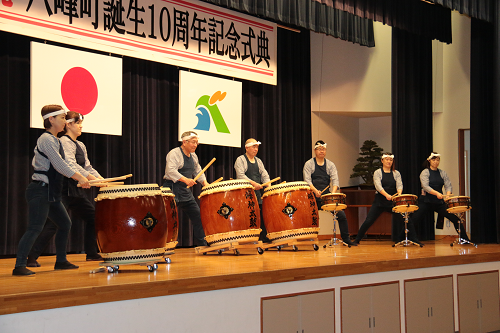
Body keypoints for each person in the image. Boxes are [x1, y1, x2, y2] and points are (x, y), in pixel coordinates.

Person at [13, 105, 90, 276]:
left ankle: (61, 261)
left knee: (64, 224)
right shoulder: (46, 139)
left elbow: (63, 165)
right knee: (35, 227)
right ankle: (19, 265)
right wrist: (80, 177)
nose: (65, 121)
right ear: (51, 119)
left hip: (50, 192)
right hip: (40, 190)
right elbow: (60, 164)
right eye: (62, 118)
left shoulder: (55, 140)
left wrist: (84, 177)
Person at [27, 111, 103, 267]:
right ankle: (32, 256)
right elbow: (69, 164)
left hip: (76, 190)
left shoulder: (80, 144)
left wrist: (102, 180)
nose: (81, 126)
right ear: (69, 124)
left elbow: (87, 166)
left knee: (93, 217)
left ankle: (91, 253)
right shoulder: (63, 141)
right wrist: (89, 178)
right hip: (63, 188)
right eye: (78, 123)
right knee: (53, 224)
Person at [353, 152, 421, 245]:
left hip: (393, 202)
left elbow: (399, 185)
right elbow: (378, 186)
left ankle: (415, 239)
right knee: (368, 220)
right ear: (382, 160)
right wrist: (386, 195)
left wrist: (399, 193)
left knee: (406, 219)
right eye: (387, 159)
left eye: (391, 160)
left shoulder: (396, 173)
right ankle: (357, 240)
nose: (389, 161)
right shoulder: (377, 172)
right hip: (379, 201)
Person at [303, 140, 356, 246]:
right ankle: (307, 239)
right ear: (315, 151)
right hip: (311, 195)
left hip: (326, 196)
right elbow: (307, 181)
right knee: (308, 216)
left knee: (341, 215)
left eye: (323, 149)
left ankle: (346, 239)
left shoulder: (330, 165)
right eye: (319, 149)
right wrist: (315, 191)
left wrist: (332, 193)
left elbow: (335, 181)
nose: (321, 151)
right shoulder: (309, 164)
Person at [163, 131, 209, 247]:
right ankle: (163, 245)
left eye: (197, 143)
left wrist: (205, 183)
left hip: (185, 191)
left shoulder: (193, 156)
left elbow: (198, 171)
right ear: (184, 142)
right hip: (171, 188)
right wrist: (186, 180)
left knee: (198, 216)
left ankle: (203, 244)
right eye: (193, 142)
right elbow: (170, 171)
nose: (195, 145)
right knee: (167, 219)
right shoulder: (174, 153)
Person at [411, 152, 470, 241]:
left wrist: (448, 195)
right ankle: (404, 238)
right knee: (413, 219)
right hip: (425, 201)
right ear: (429, 161)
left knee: (455, 219)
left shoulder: (442, 173)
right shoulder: (425, 172)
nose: (436, 162)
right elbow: (425, 186)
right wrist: (437, 193)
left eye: (438, 160)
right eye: (434, 160)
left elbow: (448, 185)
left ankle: (465, 239)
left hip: (438, 202)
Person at [234, 138, 271, 242]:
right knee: (248, 215)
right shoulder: (240, 159)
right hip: (244, 193)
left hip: (257, 193)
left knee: (261, 215)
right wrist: (253, 183)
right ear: (247, 148)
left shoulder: (258, 161)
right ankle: (246, 238)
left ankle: (263, 238)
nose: (256, 149)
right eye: (254, 147)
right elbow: (240, 175)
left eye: (257, 147)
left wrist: (269, 186)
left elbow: (264, 175)